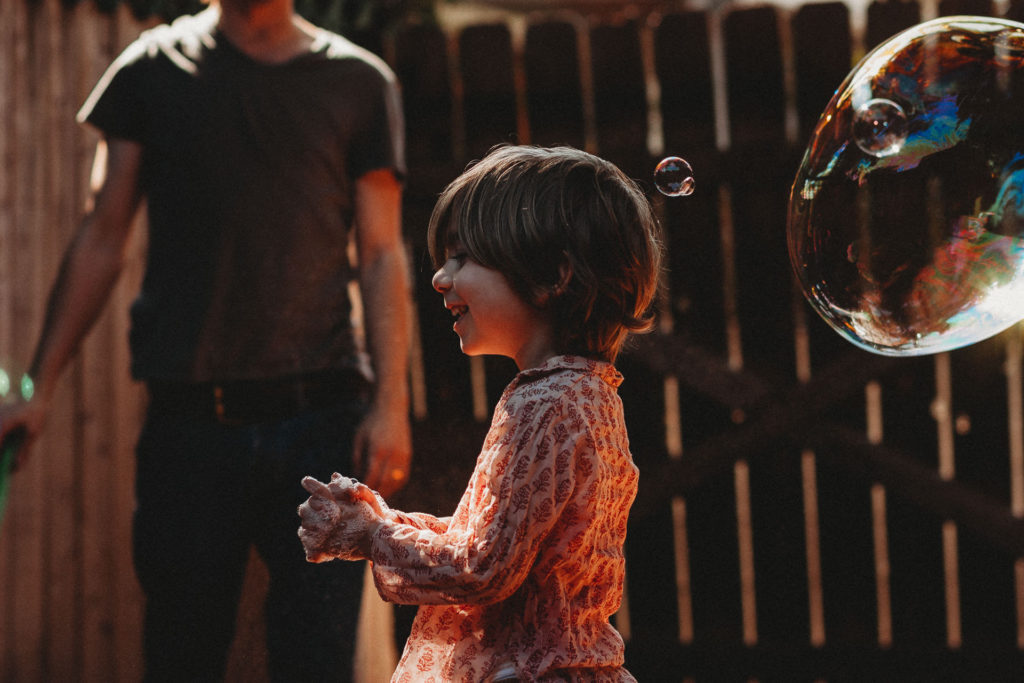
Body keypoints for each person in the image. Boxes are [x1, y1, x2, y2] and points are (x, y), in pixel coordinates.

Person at [0, 0, 412, 680]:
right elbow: (101, 234)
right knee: (180, 658)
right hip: (188, 429)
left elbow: (380, 251)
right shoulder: (150, 71)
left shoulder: (359, 82)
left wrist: (390, 404)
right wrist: (39, 386)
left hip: (322, 418)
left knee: (316, 663)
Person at [298, 144, 663, 681]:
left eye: (463, 258)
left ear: (551, 277)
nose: (440, 278)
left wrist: (370, 536)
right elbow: (504, 542)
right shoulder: (590, 393)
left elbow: (481, 568)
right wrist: (382, 521)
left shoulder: (541, 402)